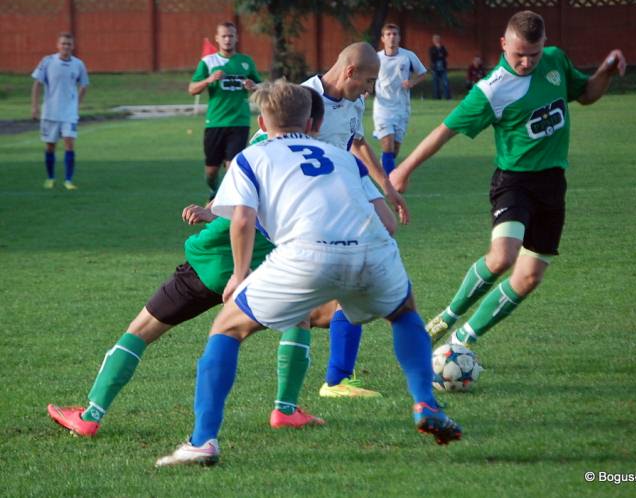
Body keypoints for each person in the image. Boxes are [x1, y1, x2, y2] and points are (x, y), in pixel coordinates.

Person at [155, 81, 461, 467]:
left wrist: (240, 273)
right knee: (403, 313)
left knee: (227, 329)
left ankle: (202, 441)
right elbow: (388, 224)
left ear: (263, 121)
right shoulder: (344, 157)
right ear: (314, 122)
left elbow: (242, 219)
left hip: (305, 253)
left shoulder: (252, 157)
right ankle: (425, 402)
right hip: (373, 249)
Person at [47, 90, 339, 436]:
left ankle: (91, 414)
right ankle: (285, 409)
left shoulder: (260, 147)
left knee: (140, 332)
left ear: (266, 121)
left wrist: (212, 211)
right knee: (299, 316)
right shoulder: (324, 159)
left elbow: (241, 201)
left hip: (212, 263)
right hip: (258, 267)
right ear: (314, 124)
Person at [390, 10, 626, 349]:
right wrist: (404, 169)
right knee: (503, 256)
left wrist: (605, 71)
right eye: (518, 55)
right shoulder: (491, 89)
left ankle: (460, 342)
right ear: (503, 44)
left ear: (545, 44)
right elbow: (446, 130)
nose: (527, 62)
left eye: (533, 54)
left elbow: (586, 94)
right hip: (514, 182)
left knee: (530, 276)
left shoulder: (555, 61)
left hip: (552, 184)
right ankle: (448, 316)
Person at [299, 42, 409, 399]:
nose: (369, 90)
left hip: (348, 175)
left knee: (387, 231)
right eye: (367, 81)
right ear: (349, 72)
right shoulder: (303, 99)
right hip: (318, 189)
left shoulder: (354, 99)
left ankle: (326, 318)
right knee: (361, 269)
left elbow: (357, 140)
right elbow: (264, 143)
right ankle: (336, 374)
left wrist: (386, 186)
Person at [189, 22, 262, 199]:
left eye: (231, 36)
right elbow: (192, 89)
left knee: (232, 166)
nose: (227, 39)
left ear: (236, 38)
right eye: (224, 36)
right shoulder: (208, 62)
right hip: (215, 121)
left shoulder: (246, 62)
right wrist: (208, 80)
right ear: (217, 38)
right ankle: (214, 190)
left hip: (239, 121)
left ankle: (225, 201)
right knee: (211, 171)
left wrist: (253, 86)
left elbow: (260, 87)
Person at [31, 32, 89, 191]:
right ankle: (50, 178)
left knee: (69, 144)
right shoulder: (47, 61)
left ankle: (68, 180)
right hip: (50, 111)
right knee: (50, 146)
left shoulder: (78, 64)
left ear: (73, 46)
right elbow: (37, 84)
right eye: (63, 43)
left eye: (69, 44)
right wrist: (35, 106)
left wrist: (76, 104)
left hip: (69, 113)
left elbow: (84, 85)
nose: (66, 46)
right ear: (58, 45)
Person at [372, 23, 428, 175]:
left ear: (399, 38)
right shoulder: (376, 58)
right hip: (382, 108)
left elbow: (423, 73)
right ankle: (390, 181)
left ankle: (385, 162)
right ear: (383, 38)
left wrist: (412, 82)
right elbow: (368, 77)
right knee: (388, 144)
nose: (392, 37)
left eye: (395, 34)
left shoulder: (407, 56)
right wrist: (365, 91)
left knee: (394, 149)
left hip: (402, 108)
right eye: (388, 34)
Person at [429, 34, 450, 100]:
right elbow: (432, 57)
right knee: (436, 83)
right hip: (435, 68)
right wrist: (438, 52)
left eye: (438, 39)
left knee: (445, 82)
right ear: (433, 41)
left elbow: (446, 54)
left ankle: (447, 97)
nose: (437, 41)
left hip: (443, 67)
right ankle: (437, 97)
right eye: (435, 39)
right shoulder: (431, 48)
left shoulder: (442, 47)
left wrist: (440, 49)